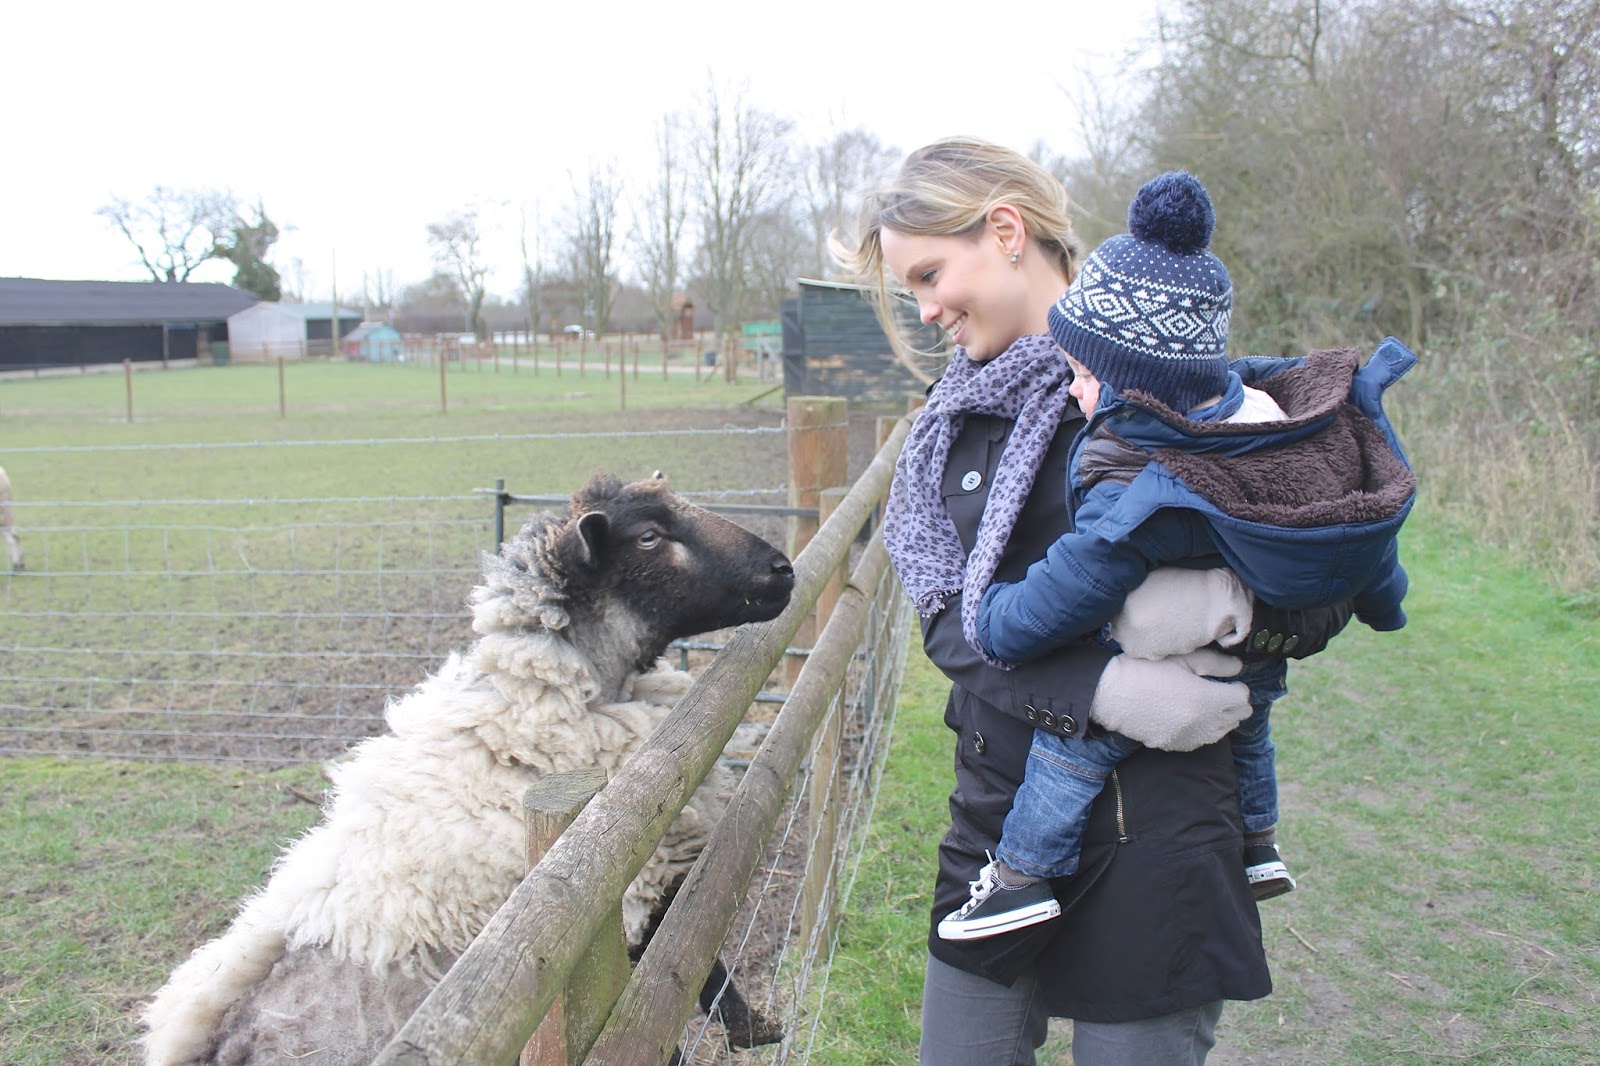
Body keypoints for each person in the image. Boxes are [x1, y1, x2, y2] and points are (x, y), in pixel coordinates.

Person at [836, 136, 1356, 1065]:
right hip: (998, 826)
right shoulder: (949, 432)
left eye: (928, 274)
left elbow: (1321, 581)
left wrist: (1226, 612)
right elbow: (951, 628)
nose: (923, 311)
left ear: (1005, 230)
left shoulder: (1175, 388)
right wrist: (1096, 695)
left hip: (1167, 835)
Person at [941, 171, 1418, 942]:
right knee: (1255, 714)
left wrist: (997, 620)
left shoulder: (1146, 474)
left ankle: (1022, 879)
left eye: (1088, 376)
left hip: (1164, 676)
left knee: (1075, 750)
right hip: (1255, 654)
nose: (1076, 394)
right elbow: (1360, 528)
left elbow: (1085, 573)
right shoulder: (1270, 418)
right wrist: (1383, 602)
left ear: (1142, 386)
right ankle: (1259, 841)